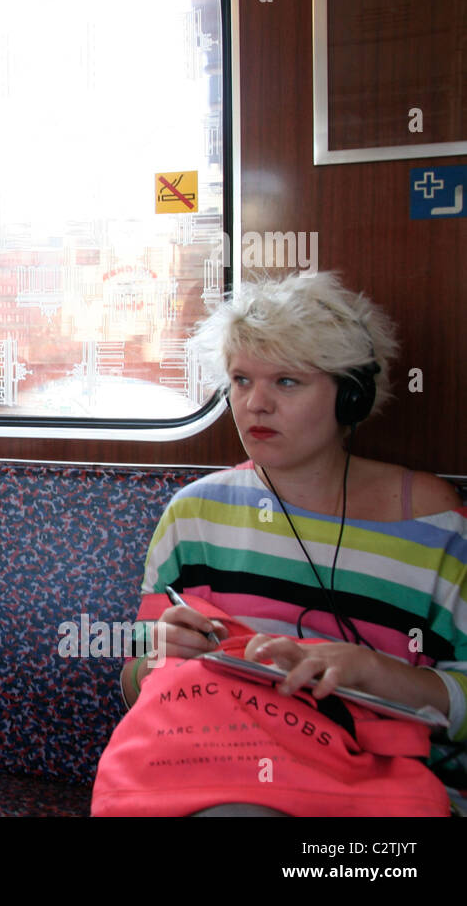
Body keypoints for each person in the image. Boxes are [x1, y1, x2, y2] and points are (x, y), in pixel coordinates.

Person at [113, 272, 466, 815]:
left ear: (351, 396)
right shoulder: (195, 514)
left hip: (379, 791)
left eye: (286, 382)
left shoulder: (433, 523)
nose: (255, 404)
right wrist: (160, 659)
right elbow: (138, 686)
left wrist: (375, 673)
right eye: (241, 380)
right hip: (218, 770)